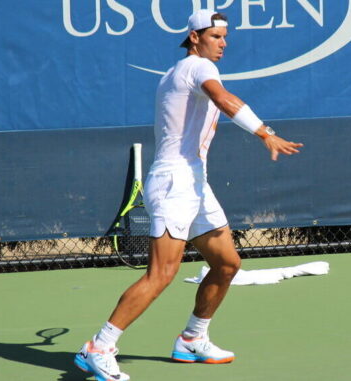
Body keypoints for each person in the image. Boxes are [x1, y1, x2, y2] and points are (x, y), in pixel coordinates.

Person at [74, 9, 303, 381]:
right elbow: (222, 97)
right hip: (173, 183)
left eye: (225, 37)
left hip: (196, 181)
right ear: (194, 38)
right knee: (162, 274)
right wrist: (265, 132)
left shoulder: (180, 73)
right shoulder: (197, 68)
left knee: (227, 264)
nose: (223, 44)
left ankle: (192, 338)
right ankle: (98, 346)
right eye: (215, 37)